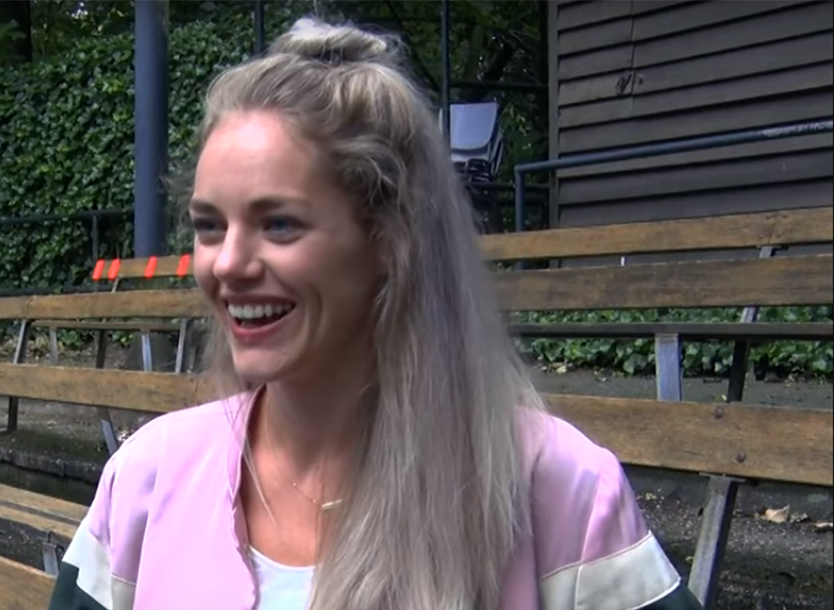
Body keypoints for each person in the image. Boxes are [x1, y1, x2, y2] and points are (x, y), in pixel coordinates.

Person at [47, 16, 704, 610]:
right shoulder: (147, 478)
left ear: (389, 240)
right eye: (210, 226)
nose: (228, 264)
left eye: (279, 224)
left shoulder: (559, 490)